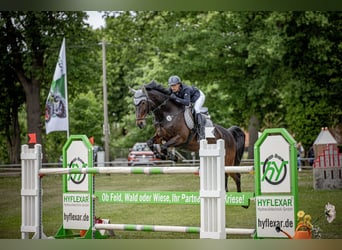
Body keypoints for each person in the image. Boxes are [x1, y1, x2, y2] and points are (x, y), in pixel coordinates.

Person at [167, 75, 206, 140]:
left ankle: (201, 131)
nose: (173, 87)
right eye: (171, 85)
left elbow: (187, 103)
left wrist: (175, 98)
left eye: (174, 85)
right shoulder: (170, 90)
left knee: (196, 110)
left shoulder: (186, 89)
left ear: (179, 84)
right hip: (189, 99)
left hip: (198, 97)